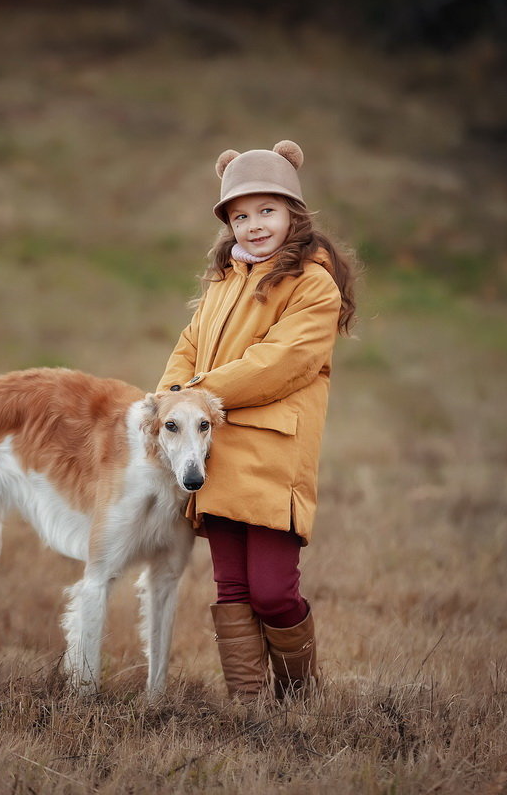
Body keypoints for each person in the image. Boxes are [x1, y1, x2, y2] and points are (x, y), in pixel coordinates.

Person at [158, 140, 358, 703]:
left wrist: (196, 394)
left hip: (271, 458)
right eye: (240, 216)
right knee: (233, 589)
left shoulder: (313, 285)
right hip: (214, 455)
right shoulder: (225, 282)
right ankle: (249, 709)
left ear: (295, 211)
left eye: (266, 210)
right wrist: (172, 397)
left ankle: (300, 698)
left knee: (272, 593)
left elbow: (280, 363)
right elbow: (189, 346)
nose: (253, 225)